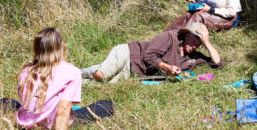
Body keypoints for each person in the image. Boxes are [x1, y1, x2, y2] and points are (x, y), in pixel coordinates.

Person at [0, 28, 114, 130]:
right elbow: (62, 111)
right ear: (61, 48)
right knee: (107, 105)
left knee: (13, 104)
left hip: (25, 123)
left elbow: (28, 101)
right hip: (51, 125)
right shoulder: (72, 72)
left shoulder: (26, 70)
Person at [80, 22, 223, 82]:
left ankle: (69, 79)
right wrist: (167, 68)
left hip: (133, 72)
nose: (195, 45)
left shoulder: (194, 57)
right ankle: (80, 71)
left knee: (98, 84)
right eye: (193, 40)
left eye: (199, 43)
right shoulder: (169, 37)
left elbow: (218, 64)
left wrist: (207, 43)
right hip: (129, 55)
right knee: (100, 75)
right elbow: (149, 56)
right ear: (186, 35)